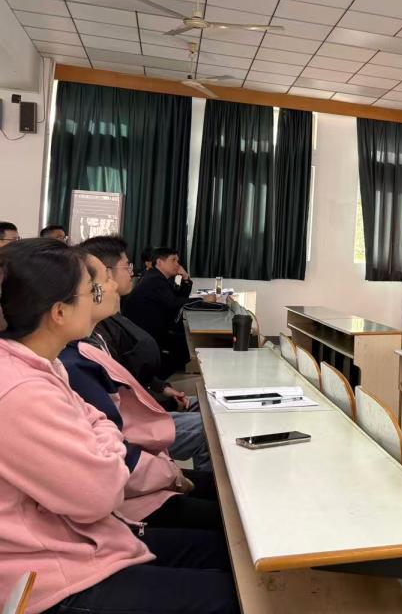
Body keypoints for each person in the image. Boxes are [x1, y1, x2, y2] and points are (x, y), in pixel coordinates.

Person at [0, 238, 238, 614]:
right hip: (50, 578)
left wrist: (102, 440)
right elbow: (101, 491)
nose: (103, 292)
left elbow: (99, 420)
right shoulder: (21, 389)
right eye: (92, 290)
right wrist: (106, 443)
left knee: (230, 558)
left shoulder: (45, 365)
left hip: (81, 542)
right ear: (59, 312)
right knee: (236, 594)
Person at [59, 252, 221, 531]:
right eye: (103, 281)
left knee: (209, 411)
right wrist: (171, 475)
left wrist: (160, 388)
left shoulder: (94, 336)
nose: (114, 285)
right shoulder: (73, 360)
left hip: (141, 455)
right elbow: (116, 443)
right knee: (211, 429)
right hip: (131, 487)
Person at [80, 236, 210, 470]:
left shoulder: (106, 323)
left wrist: (159, 387)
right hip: (132, 423)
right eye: (126, 267)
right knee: (212, 429)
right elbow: (114, 420)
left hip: (141, 401)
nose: (131, 274)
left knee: (210, 405)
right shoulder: (84, 344)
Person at [122, 247, 201, 376]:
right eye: (173, 260)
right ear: (159, 262)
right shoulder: (155, 280)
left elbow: (177, 298)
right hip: (147, 334)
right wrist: (202, 300)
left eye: (178, 261)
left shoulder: (158, 277)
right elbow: (174, 303)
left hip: (151, 328)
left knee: (185, 338)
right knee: (185, 343)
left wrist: (185, 278)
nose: (177, 264)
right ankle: (157, 378)